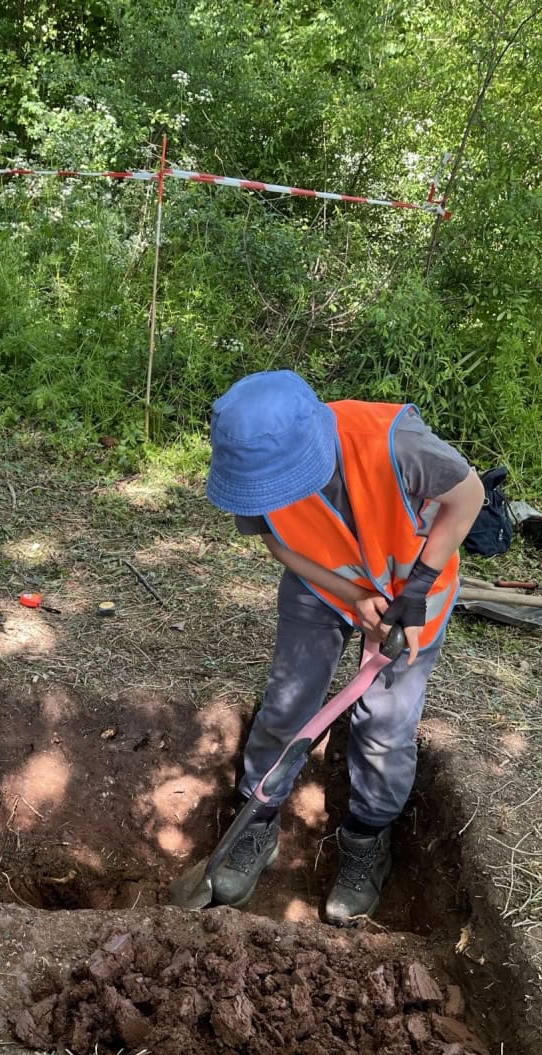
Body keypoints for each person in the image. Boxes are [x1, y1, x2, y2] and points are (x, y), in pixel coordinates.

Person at [205, 370, 484, 925]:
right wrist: (352, 595)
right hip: (324, 585)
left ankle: (365, 840)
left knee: (385, 723)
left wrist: (420, 584)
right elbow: (278, 544)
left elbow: (468, 496)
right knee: (288, 702)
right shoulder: (250, 470)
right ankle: (255, 825)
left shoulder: (393, 443)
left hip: (412, 590)